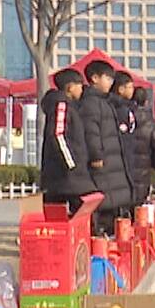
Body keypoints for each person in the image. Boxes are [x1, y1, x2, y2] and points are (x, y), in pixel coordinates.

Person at [79, 59, 136, 235]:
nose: (110, 82)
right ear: (94, 78)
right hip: (103, 163)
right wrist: (96, 155)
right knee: (105, 202)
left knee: (115, 202)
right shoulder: (91, 103)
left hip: (112, 161)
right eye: (107, 78)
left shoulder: (105, 102)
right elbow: (91, 132)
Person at [38, 69, 96, 209]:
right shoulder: (61, 105)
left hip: (69, 175)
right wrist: (71, 163)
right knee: (68, 212)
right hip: (65, 175)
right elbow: (58, 134)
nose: (82, 89)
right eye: (79, 85)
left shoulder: (71, 107)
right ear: (70, 87)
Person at [117, 75, 155, 192]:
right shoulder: (150, 121)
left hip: (124, 164)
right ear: (146, 101)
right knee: (140, 195)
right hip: (144, 166)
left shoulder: (122, 113)